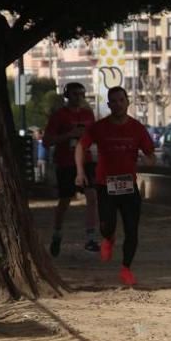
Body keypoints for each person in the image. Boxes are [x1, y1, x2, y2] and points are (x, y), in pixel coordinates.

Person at [75, 86, 155, 286]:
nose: (118, 104)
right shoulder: (99, 127)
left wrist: (149, 160)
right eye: (114, 101)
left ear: (127, 102)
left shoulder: (137, 128)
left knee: (132, 231)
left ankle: (126, 268)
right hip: (106, 186)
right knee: (106, 225)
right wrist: (80, 172)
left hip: (129, 186)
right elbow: (81, 146)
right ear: (109, 105)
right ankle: (108, 238)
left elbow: (150, 154)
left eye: (121, 100)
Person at [44, 82, 100, 255]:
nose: (79, 98)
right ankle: (57, 233)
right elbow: (47, 141)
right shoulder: (59, 116)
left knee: (92, 197)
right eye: (75, 94)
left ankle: (91, 237)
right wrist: (69, 135)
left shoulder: (88, 114)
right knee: (65, 200)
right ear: (67, 95)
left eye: (82, 94)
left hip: (87, 160)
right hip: (66, 162)